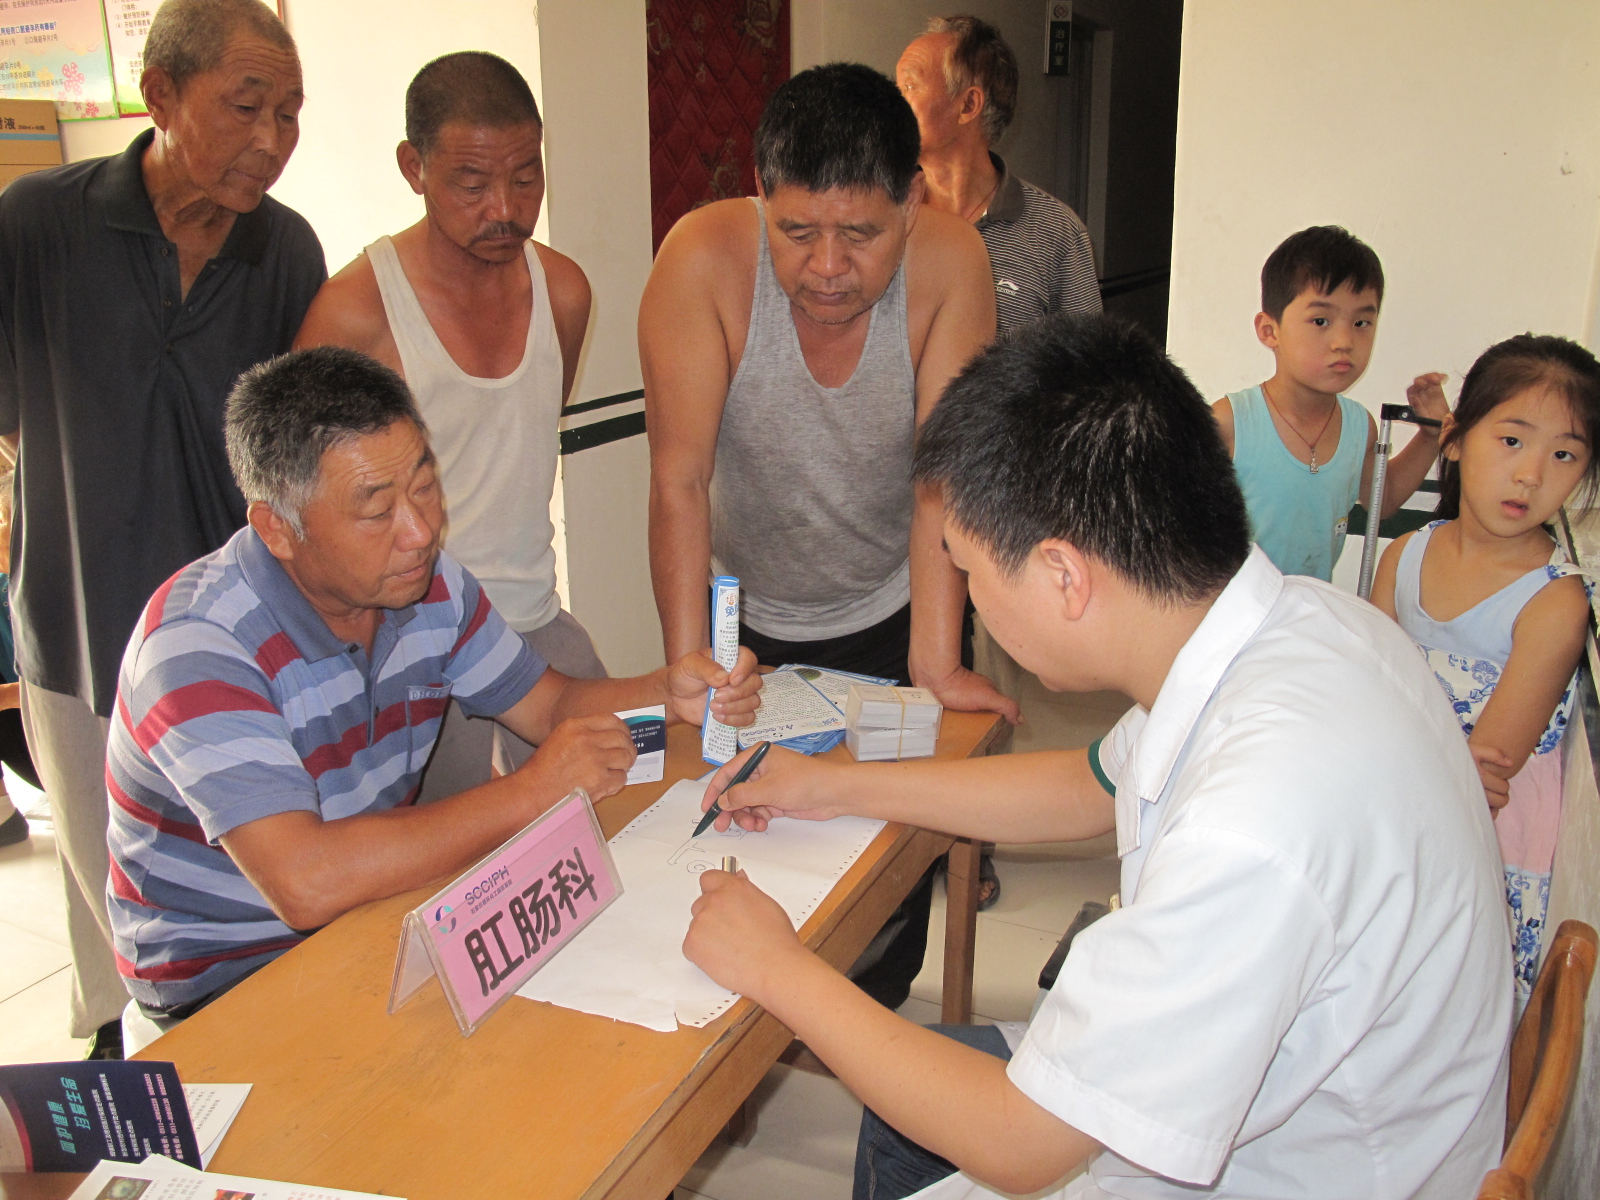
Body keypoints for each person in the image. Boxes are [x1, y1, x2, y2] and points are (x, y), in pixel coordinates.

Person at [683, 314, 1511, 1200]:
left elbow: (1021, 1143)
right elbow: (1088, 784)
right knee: (904, 1116)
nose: (971, 603)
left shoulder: (1254, 819)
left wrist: (776, 966)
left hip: (1301, 1172)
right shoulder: (1301, 622)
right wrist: (836, 785)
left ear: (1063, 576)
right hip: (1306, 1111)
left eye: (969, 573)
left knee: (924, 1108)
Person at [106, 347, 761, 1032]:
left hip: (372, 916)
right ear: (279, 529)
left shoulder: (425, 585)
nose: (420, 532)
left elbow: (548, 706)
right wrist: (533, 792)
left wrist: (667, 694)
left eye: (424, 487)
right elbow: (306, 882)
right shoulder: (198, 645)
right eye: (376, 511)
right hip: (223, 990)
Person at [0, 0, 325, 1057]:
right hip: (78, 618)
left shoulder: (285, 250)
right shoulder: (39, 224)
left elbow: (295, 450)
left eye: (289, 113)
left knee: (226, 892)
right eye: (246, 106)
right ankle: (123, 1071)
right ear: (160, 96)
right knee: (104, 886)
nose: (271, 139)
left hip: (232, 651)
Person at [643, 62, 999, 1008]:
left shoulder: (953, 264)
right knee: (745, 847)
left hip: (894, 605)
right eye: (797, 232)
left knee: (883, 888)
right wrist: (689, 661)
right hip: (744, 629)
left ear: (912, 203)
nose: (828, 267)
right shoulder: (702, 260)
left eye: (862, 235)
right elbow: (678, 477)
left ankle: (860, 1025)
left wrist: (934, 662)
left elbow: (940, 480)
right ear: (762, 194)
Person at [294, 52, 598, 803]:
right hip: (409, 653)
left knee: (617, 826)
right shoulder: (356, 312)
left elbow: (522, 448)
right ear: (414, 168)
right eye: (472, 183)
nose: (505, 208)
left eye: (526, 177)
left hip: (534, 626)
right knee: (445, 866)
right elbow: (306, 511)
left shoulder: (562, 289)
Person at [897, 14, 1103, 907]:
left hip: (990, 501)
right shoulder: (889, 215)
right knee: (899, 668)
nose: (897, 97)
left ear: (968, 103)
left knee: (969, 675)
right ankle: (894, 835)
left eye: (913, 83)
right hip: (891, 493)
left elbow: (1084, 369)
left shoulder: (1050, 230)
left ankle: (965, 844)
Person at [1373, 334, 1600, 1003]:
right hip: (1396, 802)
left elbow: (1487, 769)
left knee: (1447, 1000)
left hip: (1484, 838)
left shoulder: (1556, 601)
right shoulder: (1405, 555)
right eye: (1511, 441)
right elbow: (1369, 690)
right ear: (1454, 439)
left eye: (1564, 454)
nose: (1531, 474)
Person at [1212, 225, 1447, 581]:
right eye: (1321, 320)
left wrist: (1430, 435)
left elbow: (1381, 501)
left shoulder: (1359, 426)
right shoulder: (1230, 423)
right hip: (1230, 609)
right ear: (1269, 331)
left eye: (1361, 322)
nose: (1344, 341)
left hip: (1311, 606)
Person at [896, 16, 1099, 335]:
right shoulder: (881, 214)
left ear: (968, 105)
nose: (892, 105)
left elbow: (1089, 360)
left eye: (908, 87)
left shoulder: (1056, 232)